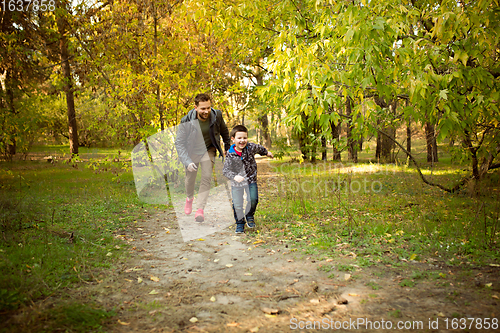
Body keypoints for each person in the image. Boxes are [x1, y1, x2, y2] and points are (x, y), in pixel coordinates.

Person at [175, 93, 231, 222]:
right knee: (190, 179)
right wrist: (187, 161)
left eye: (208, 108)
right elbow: (179, 142)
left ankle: (200, 209)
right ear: (195, 107)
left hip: (208, 149)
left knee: (206, 176)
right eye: (203, 109)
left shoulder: (217, 115)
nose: (206, 111)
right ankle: (189, 198)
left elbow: (224, 132)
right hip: (192, 151)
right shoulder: (186, 121)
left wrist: (227, 147)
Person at [222, 125, 273, 234]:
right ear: (233, 139)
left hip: (250, 180)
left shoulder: (250, 147)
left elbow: (259, 148)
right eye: (239, 138)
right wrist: (235, 177)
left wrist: (267, 153)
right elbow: (225, 170)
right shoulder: (230, 154)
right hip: (237, 183)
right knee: (237, 203)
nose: (242, 140)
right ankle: (240, 223)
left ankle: (249, 215)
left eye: (244, 138)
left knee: (253, 199)